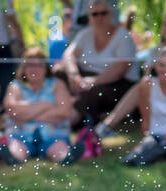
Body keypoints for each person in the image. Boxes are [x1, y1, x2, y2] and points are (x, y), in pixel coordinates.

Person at [57, 0, 139, 128]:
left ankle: (69, 122)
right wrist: (74, 75)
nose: (99, 17)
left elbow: (120, 69)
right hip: (85, 78)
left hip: (117, 84)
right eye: (95, 14)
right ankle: (53, 110)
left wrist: (92, 81)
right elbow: (68, 55)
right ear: (89, 17)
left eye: (103, 13)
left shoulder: (123, 36)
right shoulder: (85, 34)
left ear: (111, 14)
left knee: (91, 93)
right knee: (59, 74)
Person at [0, 46, 79, 164]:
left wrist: (28, 114)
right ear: (24, 68)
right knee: (17, 148)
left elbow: (64, 112)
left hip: (53, 134)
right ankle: (14, 159)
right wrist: (47, 105)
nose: (34, 69)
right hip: (22, 135)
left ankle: (66, 158)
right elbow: (12, 110)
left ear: (46, 68)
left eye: (39, 65)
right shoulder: (15, 86)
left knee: (58, 148)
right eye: (30, 65)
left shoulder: (57, 84)